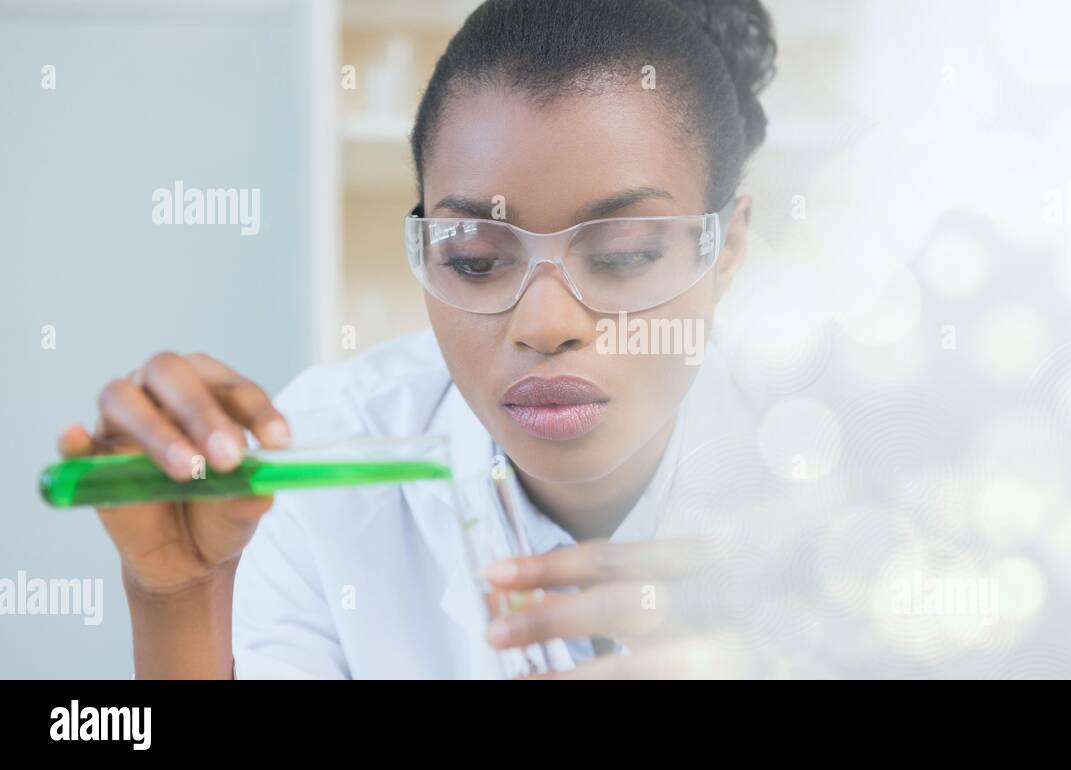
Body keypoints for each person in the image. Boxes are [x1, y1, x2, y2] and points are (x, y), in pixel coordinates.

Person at [55, 0, 780, 678]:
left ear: (731, 246)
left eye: (622, 254)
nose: (547, 324)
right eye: (477, 260)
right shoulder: (323, 454)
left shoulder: (835, 485)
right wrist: (178, 600)